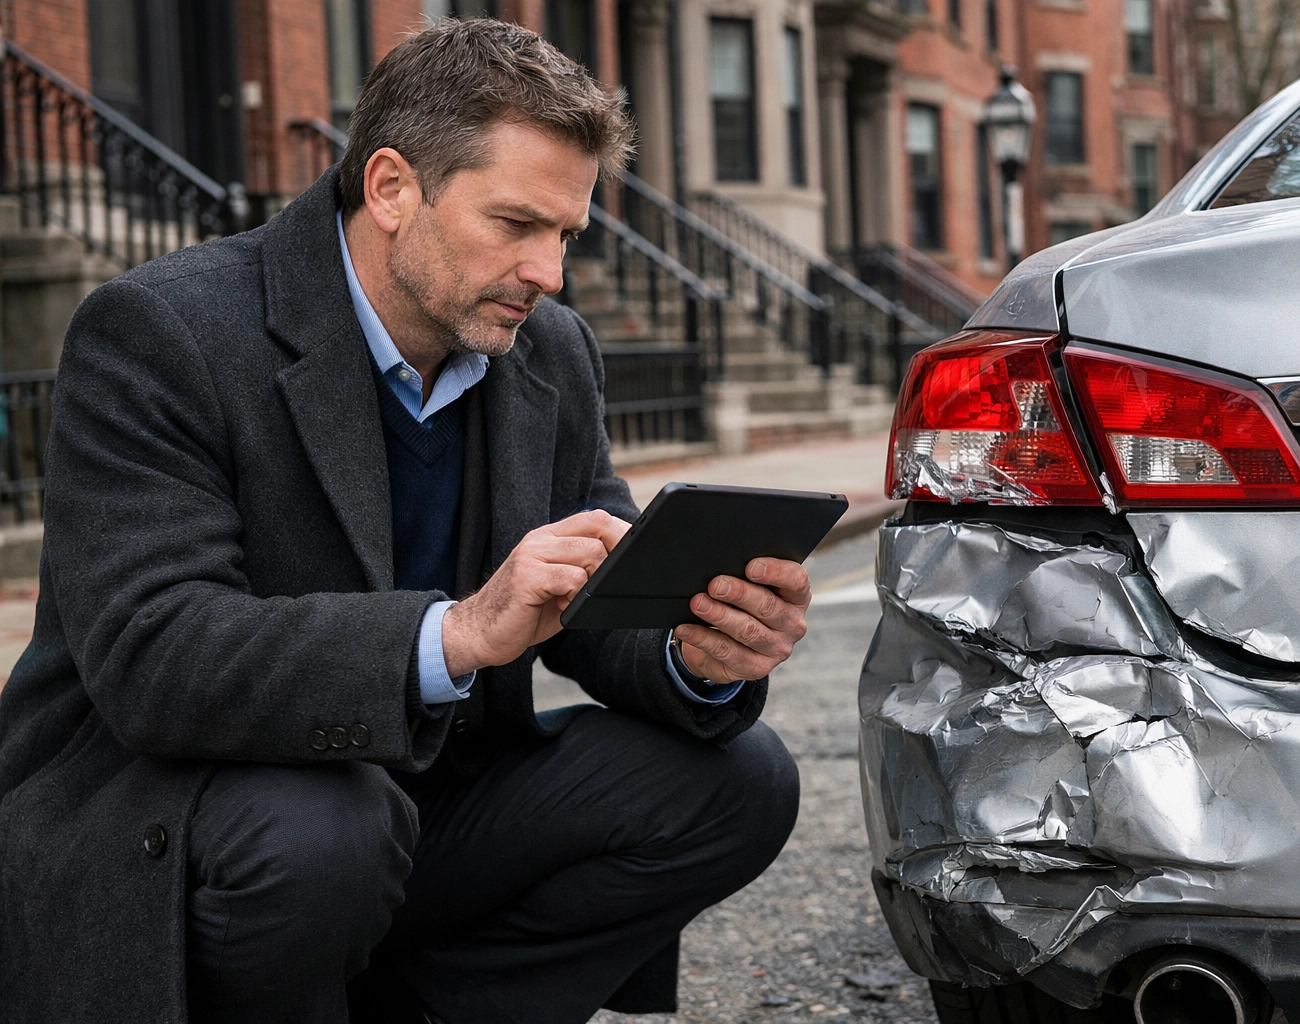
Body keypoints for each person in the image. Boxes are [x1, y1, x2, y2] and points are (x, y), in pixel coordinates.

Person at [0, 19, 807, 1024]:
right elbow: (154, 655)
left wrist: (703, 649)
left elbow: (603, 597)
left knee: (740, 779)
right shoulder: (163, 331)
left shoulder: (550, 353)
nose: (548, 271)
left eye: (565, 234)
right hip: (182, 818)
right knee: (326, 826)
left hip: (418, 811)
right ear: (390, 188)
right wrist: (456, 632)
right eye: (516, 223)